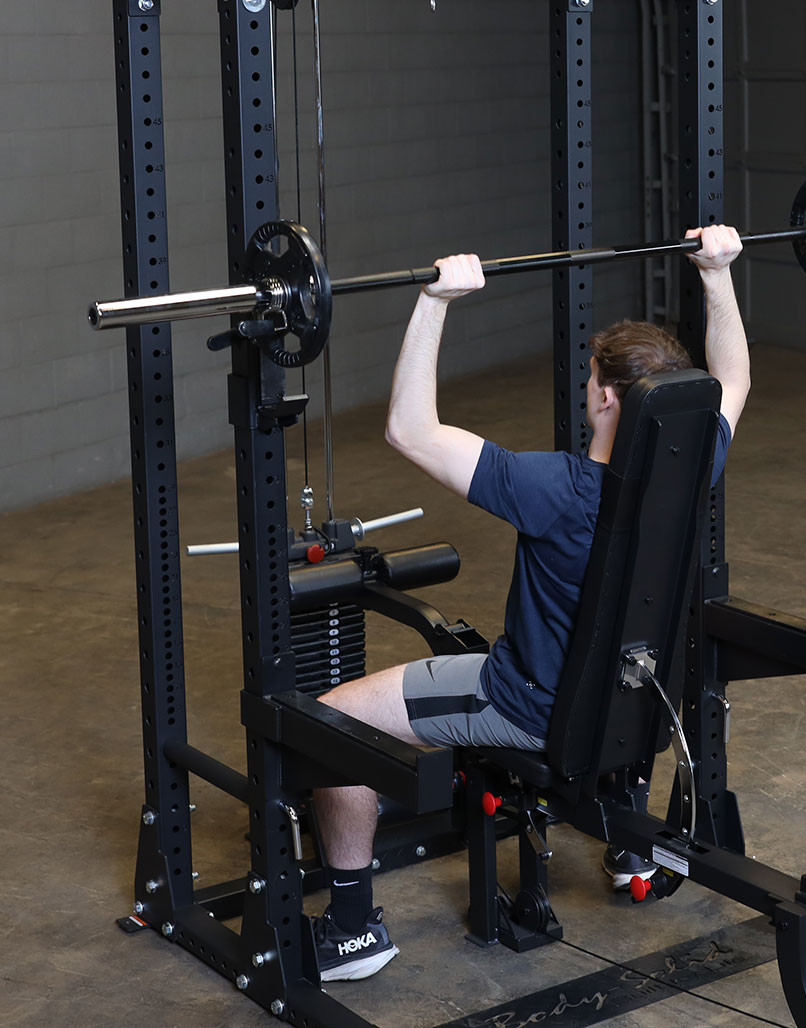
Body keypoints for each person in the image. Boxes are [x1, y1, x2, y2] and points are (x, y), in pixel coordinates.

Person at [309, 225, 749, 982]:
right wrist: (719, 274)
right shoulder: (692, 469)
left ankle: (352, 930)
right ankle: (630, 842)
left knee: (331, 722)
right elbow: (733, 379)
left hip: (527, 704)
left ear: (606, 398)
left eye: (589, 381)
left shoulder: (555, 488)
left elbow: (407, 430)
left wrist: (435, 301)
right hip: (630, 703)